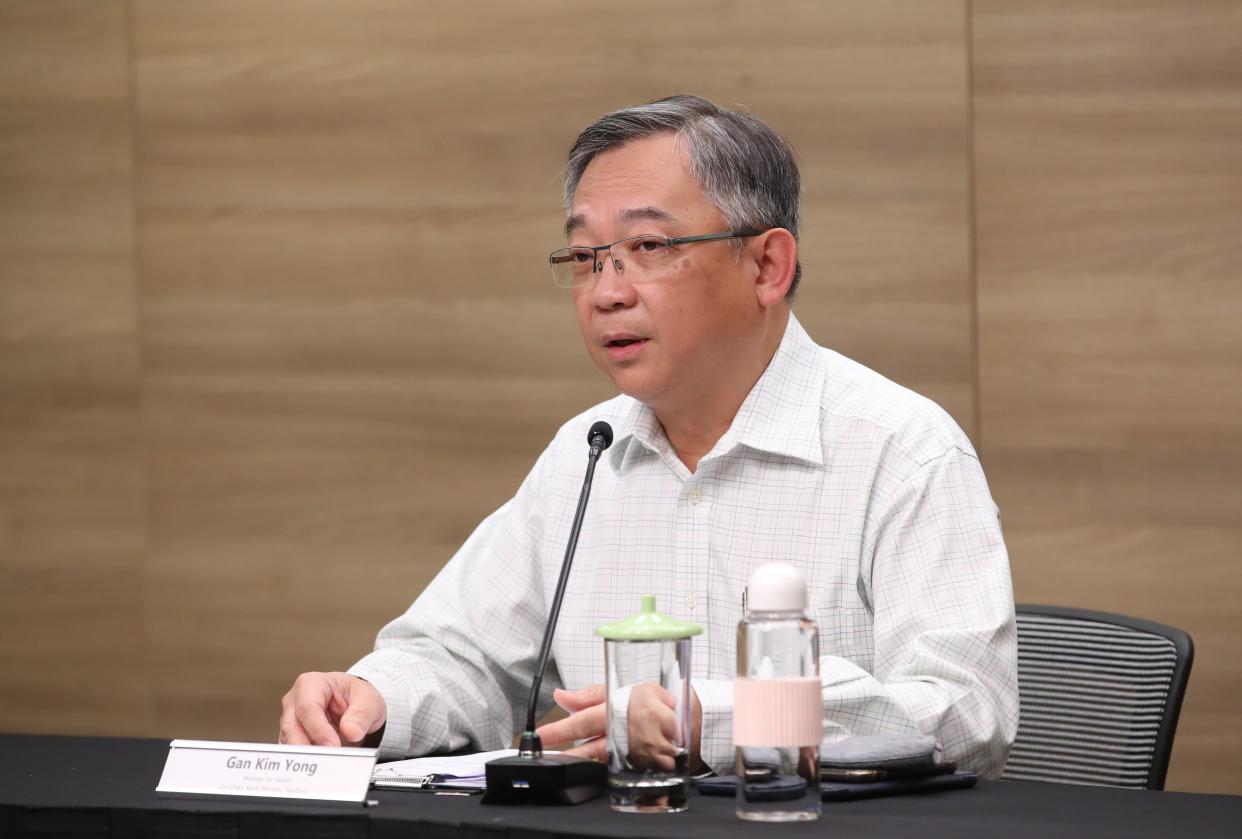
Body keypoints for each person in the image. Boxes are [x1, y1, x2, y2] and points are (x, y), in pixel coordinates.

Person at [278, 95, 1019, 777]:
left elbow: (961, 707)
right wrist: (373, 698)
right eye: (585, 257)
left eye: (649, 248)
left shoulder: (900, 449)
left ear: (767, 264)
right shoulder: (585, 454)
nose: (606, 292)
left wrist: (711, 718)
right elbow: (464, 655)